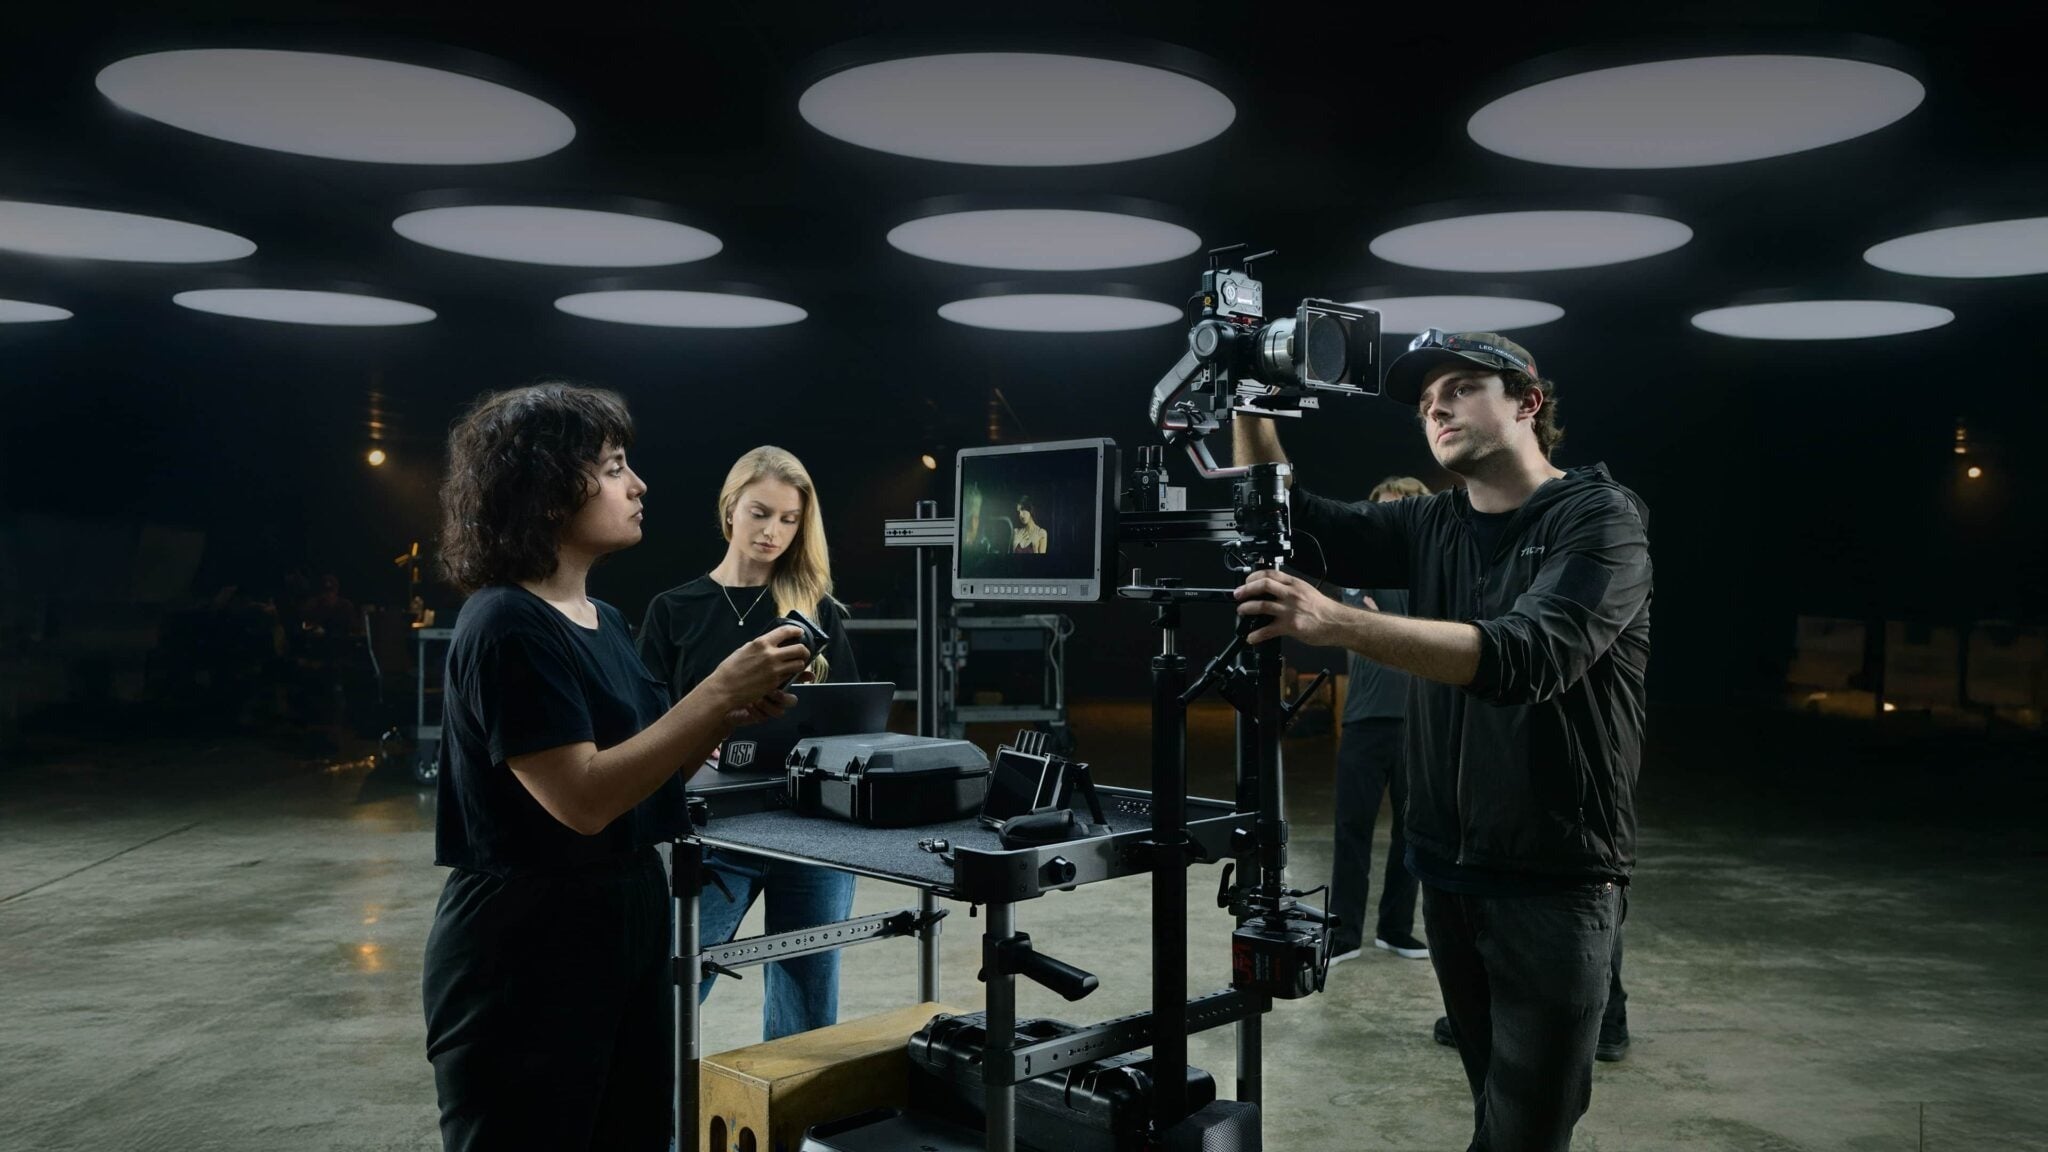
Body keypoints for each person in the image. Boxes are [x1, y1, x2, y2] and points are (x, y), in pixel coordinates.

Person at [1232, 329, 1651, 1151]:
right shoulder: (1431, 523)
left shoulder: (1600, 518)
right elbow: (1289, 520)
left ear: (1528, 403)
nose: (1438, 409)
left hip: (1552, 877)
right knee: (1491, 1100)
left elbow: (1532, 655)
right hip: (1446, 865)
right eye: (1427, 403)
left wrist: (1340, 622)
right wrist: (1251, 398)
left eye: (1460, 388)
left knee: (1529, 1127)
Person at [421, 383, 810, 1152]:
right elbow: (583, 799)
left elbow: (644, 774)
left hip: (626, 915)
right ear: (544, 488)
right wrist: (713, 693)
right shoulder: (505, 622)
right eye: (612, 467)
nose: (638, 485)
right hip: (527, 943)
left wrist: (721, 719)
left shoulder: (607, 620)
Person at [638, 445, 860, 1041]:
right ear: (730, 508)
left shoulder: (817, 611)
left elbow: (852, 724)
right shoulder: (672, 611)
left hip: (811, 830)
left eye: (790, 520)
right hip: (712, 827)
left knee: (806, 1020)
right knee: (668, 999)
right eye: (761, 513)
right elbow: (645, 733)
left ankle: (790, 1131)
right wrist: (704, 732)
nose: (773, 532)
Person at [1327, 475, 1432, 967]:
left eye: (1397, 511)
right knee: (1353, 829)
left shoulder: (1433, 571)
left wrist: (1387, 623)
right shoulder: (1357, 567)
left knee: (1414, 832)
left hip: (1420, 722)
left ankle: (1396, 929)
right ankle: (1344, 932)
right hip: (1367, 719)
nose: (1385, 522)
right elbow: (1354, 623)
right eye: (1380, 511)